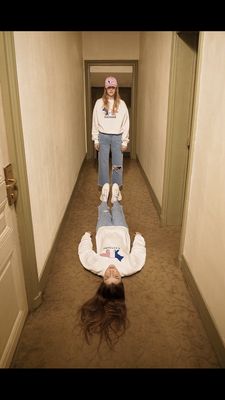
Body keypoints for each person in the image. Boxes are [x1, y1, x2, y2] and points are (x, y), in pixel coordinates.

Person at [78, 183, 146, 348]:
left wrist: (86, 237)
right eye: (115, 276)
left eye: (107, 277)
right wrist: (139, 238)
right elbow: (138, 254)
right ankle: (115, 200)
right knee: (117, 211)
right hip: (121, 230)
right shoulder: (129, 267)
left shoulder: (97, 266)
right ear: (121, 280)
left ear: (102, 281)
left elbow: (85, 253)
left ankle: (103, 200)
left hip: (102, 231)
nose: (111, 271)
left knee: (103, 212)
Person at [91, 76, 130, 192]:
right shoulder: (99, 103)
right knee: (103, 162)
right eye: (109, 87)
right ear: (105, 89)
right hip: (103, 136)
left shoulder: (121, 104)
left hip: (117, 137)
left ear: (116, 88)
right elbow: (95, 121)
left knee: (117, 163)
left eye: (113, 87)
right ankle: (105, 186)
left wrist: (125, 140)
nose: (111, 90)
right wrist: (96, 139)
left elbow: (126, 123)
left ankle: (116, 187)